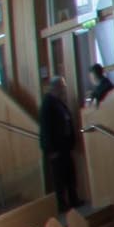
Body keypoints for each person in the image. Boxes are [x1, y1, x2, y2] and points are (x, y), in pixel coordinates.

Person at [34, 80, 77, 210]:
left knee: (70, 175)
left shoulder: (58, 102)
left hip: (64, 146)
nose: (64, 90)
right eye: (62, 87)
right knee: (59, 178)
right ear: (55, 88)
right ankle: (62, 204)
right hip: (55, 149)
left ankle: (73, 199)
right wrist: (51, 150)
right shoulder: (47, 104)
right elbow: (46, 129)